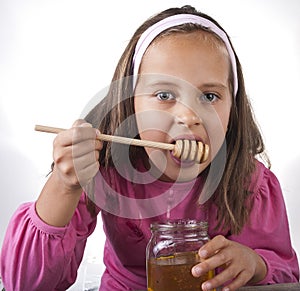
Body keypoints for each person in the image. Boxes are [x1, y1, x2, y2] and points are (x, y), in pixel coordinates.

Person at [1, 5, 299, 291]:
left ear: (232, 109)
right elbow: (25, 285)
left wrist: (256, 265)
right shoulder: (104, 172)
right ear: (131, 104)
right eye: (164, 94)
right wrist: (64, 186)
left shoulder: (249, 182)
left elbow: (286, 272)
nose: (189, 116)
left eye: (209, 96)